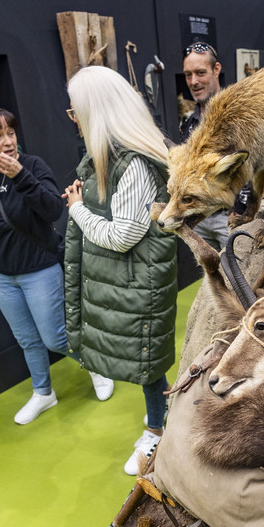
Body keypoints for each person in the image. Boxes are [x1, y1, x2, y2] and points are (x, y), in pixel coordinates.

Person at [0, 107, 113, 425]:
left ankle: (97, 364)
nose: (7, 141)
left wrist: (19, 175)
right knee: (27, 340)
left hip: (40, 268)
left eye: (10, 133)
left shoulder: (32, 165)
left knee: (55, 338)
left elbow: (52, 210)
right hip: (3, 275)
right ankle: (43, 392)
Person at [64, 66, 178, 475]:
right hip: (125, 282)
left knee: (148, 362)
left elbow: (122, 236)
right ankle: (162, 423)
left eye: (75, 110)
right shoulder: (105, 157)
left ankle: (158, 431)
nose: (72, 117)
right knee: (149, 363)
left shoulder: (132, 164)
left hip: (136, 283)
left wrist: (77, 210)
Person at [179, 42, 231, 250]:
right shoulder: (189, 123)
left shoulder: (237, 113)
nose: (194, 81)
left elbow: (259, 167)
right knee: (211, 277)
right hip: (199, 218)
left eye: (200, 73)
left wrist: (243, 212)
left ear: (216, 69)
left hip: (230, 217)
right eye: (188, 74)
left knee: (244, 277)